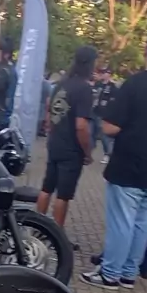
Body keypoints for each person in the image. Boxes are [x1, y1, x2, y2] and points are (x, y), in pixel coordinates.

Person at [81, 29, 147, 289]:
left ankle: (110, 274)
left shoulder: (134, 84)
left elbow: (109, 127)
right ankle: (129, 273)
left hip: (129, 165)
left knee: (122, 222)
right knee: (143, 223)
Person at [36, 46, 96, 228]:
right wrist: (87, 152)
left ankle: (37, 227)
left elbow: (49, 111)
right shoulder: (85, 89)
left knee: (46, 188)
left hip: (55, 143)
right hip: (71, 150)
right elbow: (81, 126)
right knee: (63, 195)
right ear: (91, 63)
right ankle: (57, 234)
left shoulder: (61, 84)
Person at [94, 67, 118, 162]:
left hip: (105, 113)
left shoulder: (112, 87)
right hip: (95, 111)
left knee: (103, 134)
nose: (104, 74)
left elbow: (114, 100)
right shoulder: (98, 84)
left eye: (106, 73)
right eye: (103, 72)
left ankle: (108, 153)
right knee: (93, 133)